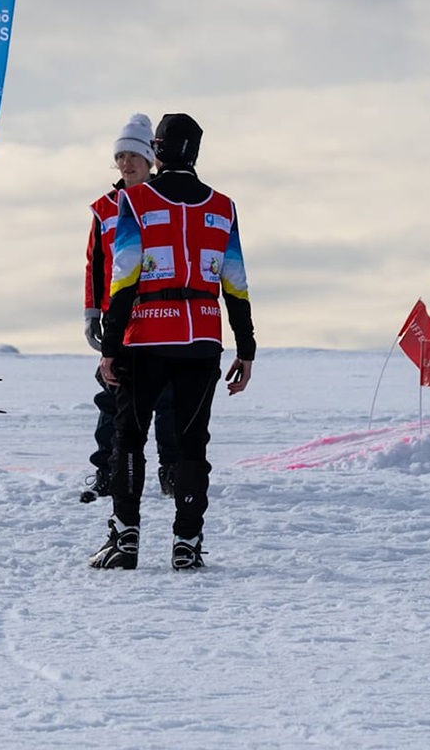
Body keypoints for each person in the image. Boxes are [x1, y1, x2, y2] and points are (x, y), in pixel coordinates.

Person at [89, 112, 254, 571]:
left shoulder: (135, 200)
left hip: (145, 336)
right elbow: (236, 283)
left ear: (157, 150)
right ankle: (187, 542)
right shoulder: (223, 206)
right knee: (191, 443)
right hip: (202, 336)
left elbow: (123, 277)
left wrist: (110, 347)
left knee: (129, 437)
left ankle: (125, 540)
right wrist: (246, 348)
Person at [82, 113, 178, 504]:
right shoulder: (104, 208)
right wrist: (92, 313)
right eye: (120, 157)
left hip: (160, 315)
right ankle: (107, 472)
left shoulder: (169, 201)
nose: (126, 163)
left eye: (133, 156)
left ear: (150, 160)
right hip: (119, 319)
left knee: (169, 397)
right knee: (113, 396)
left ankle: (172, 471)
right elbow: (95, 264)